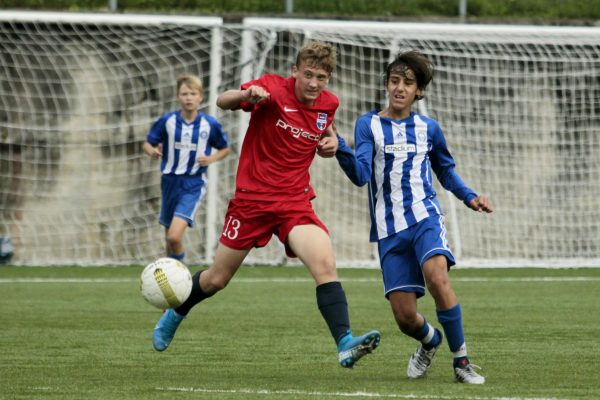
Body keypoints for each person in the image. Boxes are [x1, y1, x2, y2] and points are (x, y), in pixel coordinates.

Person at [151, 41, 381, 368]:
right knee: (216, 279)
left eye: (322, 78)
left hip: (294, 204)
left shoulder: (328, 103)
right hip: (252, 203)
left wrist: (331, 141)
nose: (314, 84)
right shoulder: (272, 87)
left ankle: (345, 343)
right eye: (309, 75)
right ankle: (176, 313)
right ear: (295, 72)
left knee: (325, 265)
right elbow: (222, 100)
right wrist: (247, 95)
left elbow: (324, 129)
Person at [334, 50, 493, 383]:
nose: (400, 88)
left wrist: (469, 197)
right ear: (387, 85)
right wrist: (341, 149)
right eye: (394, 81)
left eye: (408, 83)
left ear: (418, 91)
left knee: (437, 277)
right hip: (389, 229)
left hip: (425, 217)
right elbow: (361, 175)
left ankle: (462, 363)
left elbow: (446, 171)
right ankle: (429, 341)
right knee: (405, 318)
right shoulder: (368, 125)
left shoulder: (428, 129)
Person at [143, 74, 230, 262]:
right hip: (169, 181)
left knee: (174, 236)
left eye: (193, 93)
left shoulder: (209, 124)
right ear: (177, 97)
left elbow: (225, 148)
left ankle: (181, 273)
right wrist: (152, 152)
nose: (188, 97)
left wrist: (211, 158)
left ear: (201, 97)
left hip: (193, 183)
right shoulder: (167, 121)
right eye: (184, 93)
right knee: (169, 240)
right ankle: (169, 282)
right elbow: (148, 143)